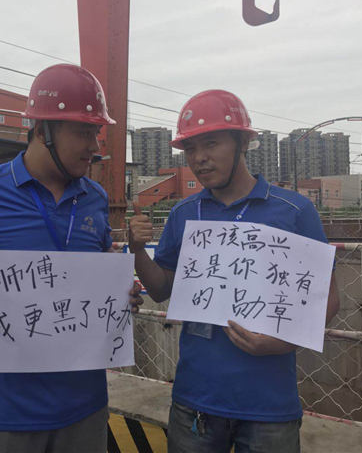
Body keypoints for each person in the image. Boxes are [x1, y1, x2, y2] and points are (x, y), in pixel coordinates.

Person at [0, 63, 142, 453]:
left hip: (84, 408)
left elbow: (100, 260)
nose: (95, 147)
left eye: (96, 133)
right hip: (3, 412)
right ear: (43, 130)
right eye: (84, 133)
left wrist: (119, 292)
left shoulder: (94, 199)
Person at [128, 89, 339, 453]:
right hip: (195, 401)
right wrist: (135, 250)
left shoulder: (294, 212)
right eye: (190, 148)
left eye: (211, 144)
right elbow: (161, 289)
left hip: (268, 407)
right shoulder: (183, 214)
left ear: (242, 142)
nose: (199, 158)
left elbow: (329, 300)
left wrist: (282, 343)